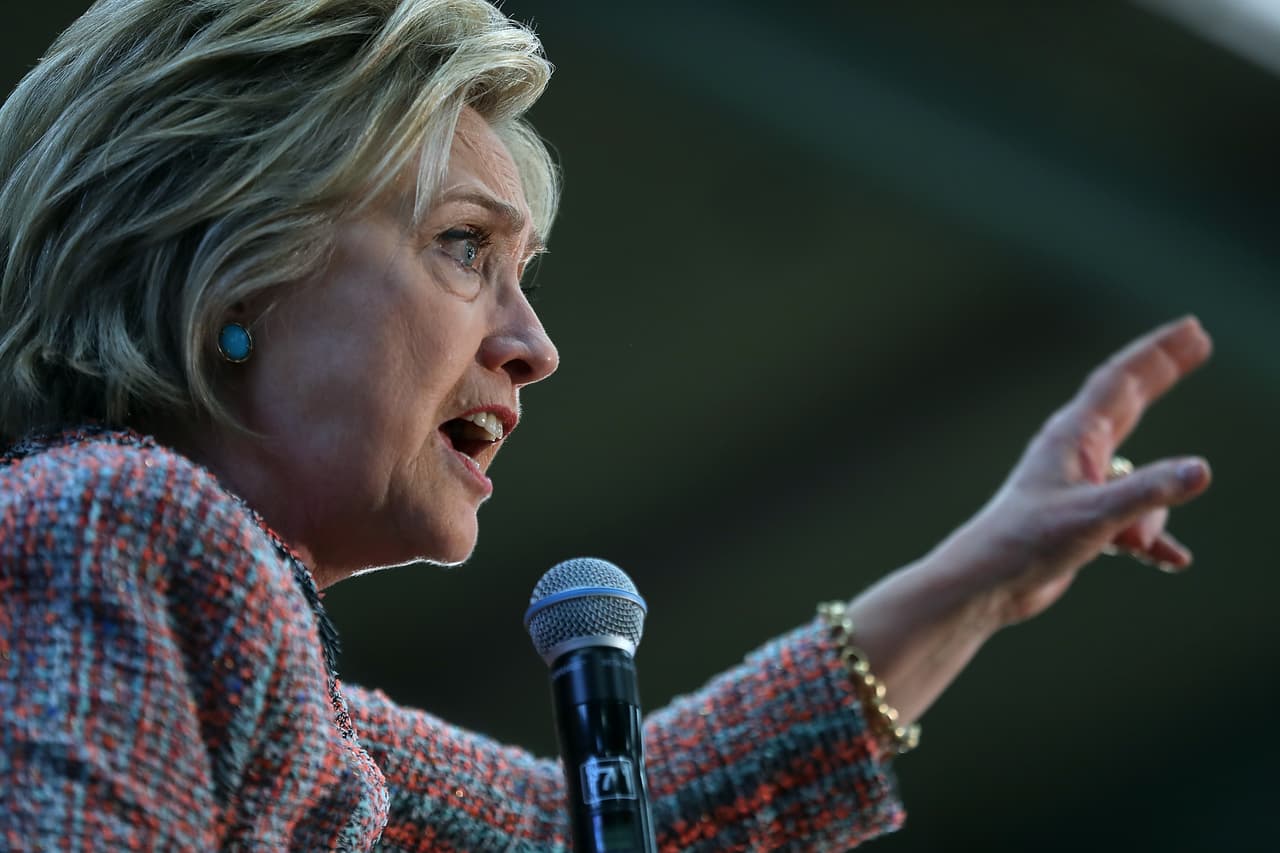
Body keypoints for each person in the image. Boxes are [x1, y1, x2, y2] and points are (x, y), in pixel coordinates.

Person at [0, 0, 1212, 850]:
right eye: (462, 245)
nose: (533, 344)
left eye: (522, 273)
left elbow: (598, 821)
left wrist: (981, 579)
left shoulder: (259, 671)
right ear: (229, 269)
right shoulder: (119, 526)